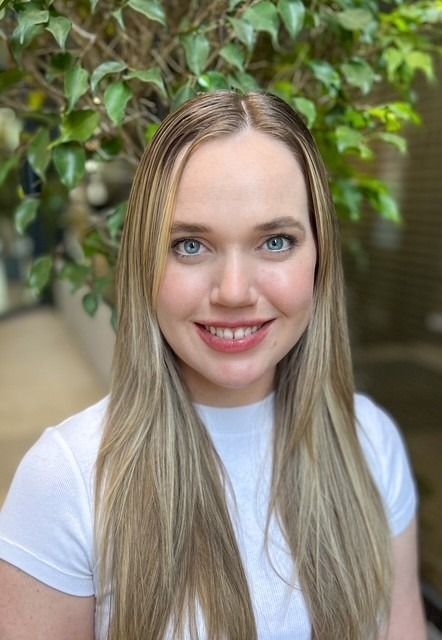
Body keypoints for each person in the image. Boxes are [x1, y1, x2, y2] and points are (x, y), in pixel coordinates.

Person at [0, 92, 425, 640]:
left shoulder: (371, 442)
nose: (233, 292)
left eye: (275, 241)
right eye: (191, 246)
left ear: (319, 256)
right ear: (145, 261)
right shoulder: (67, 481)